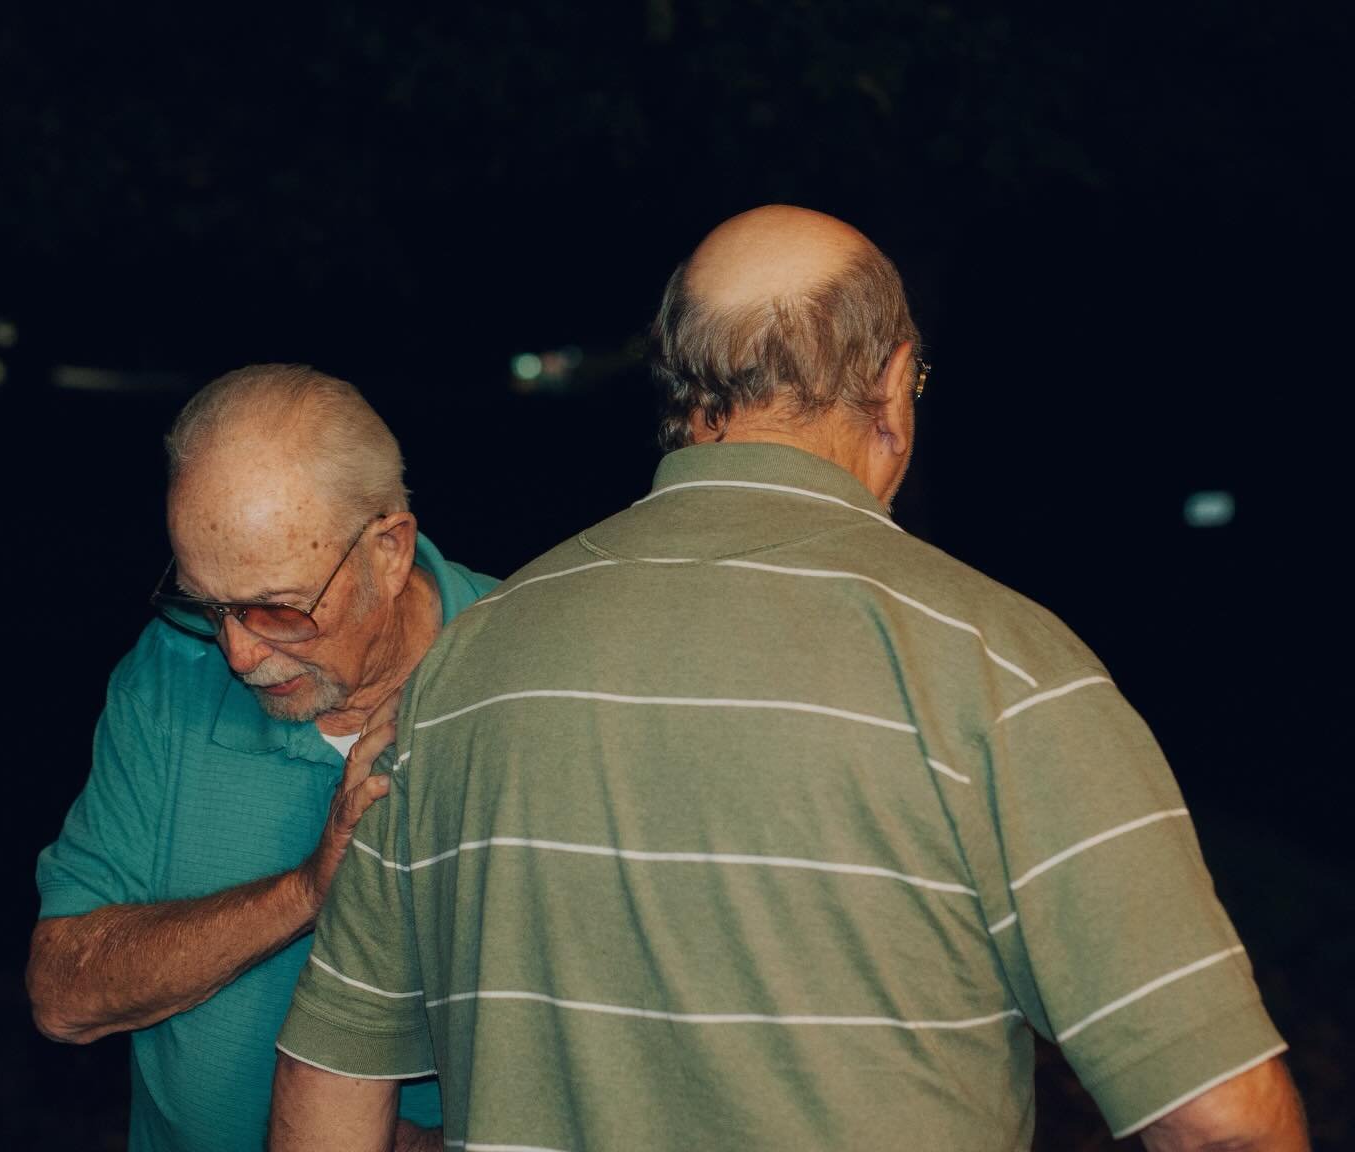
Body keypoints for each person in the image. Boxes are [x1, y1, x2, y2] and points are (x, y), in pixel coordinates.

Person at [268, 208, 1308, 1151]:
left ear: (680, 393)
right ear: (893, 388)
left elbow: (331, 1085)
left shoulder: (468, 665)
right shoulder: (1003, 670)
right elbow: (1222, 1124)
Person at [27, 364, 497, 1152]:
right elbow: (62, 994)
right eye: (207, 605)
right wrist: (304, 891)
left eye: (277, 609)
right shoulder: (170, 672)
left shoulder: (521, 671)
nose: (238, 655)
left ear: (390, 550)